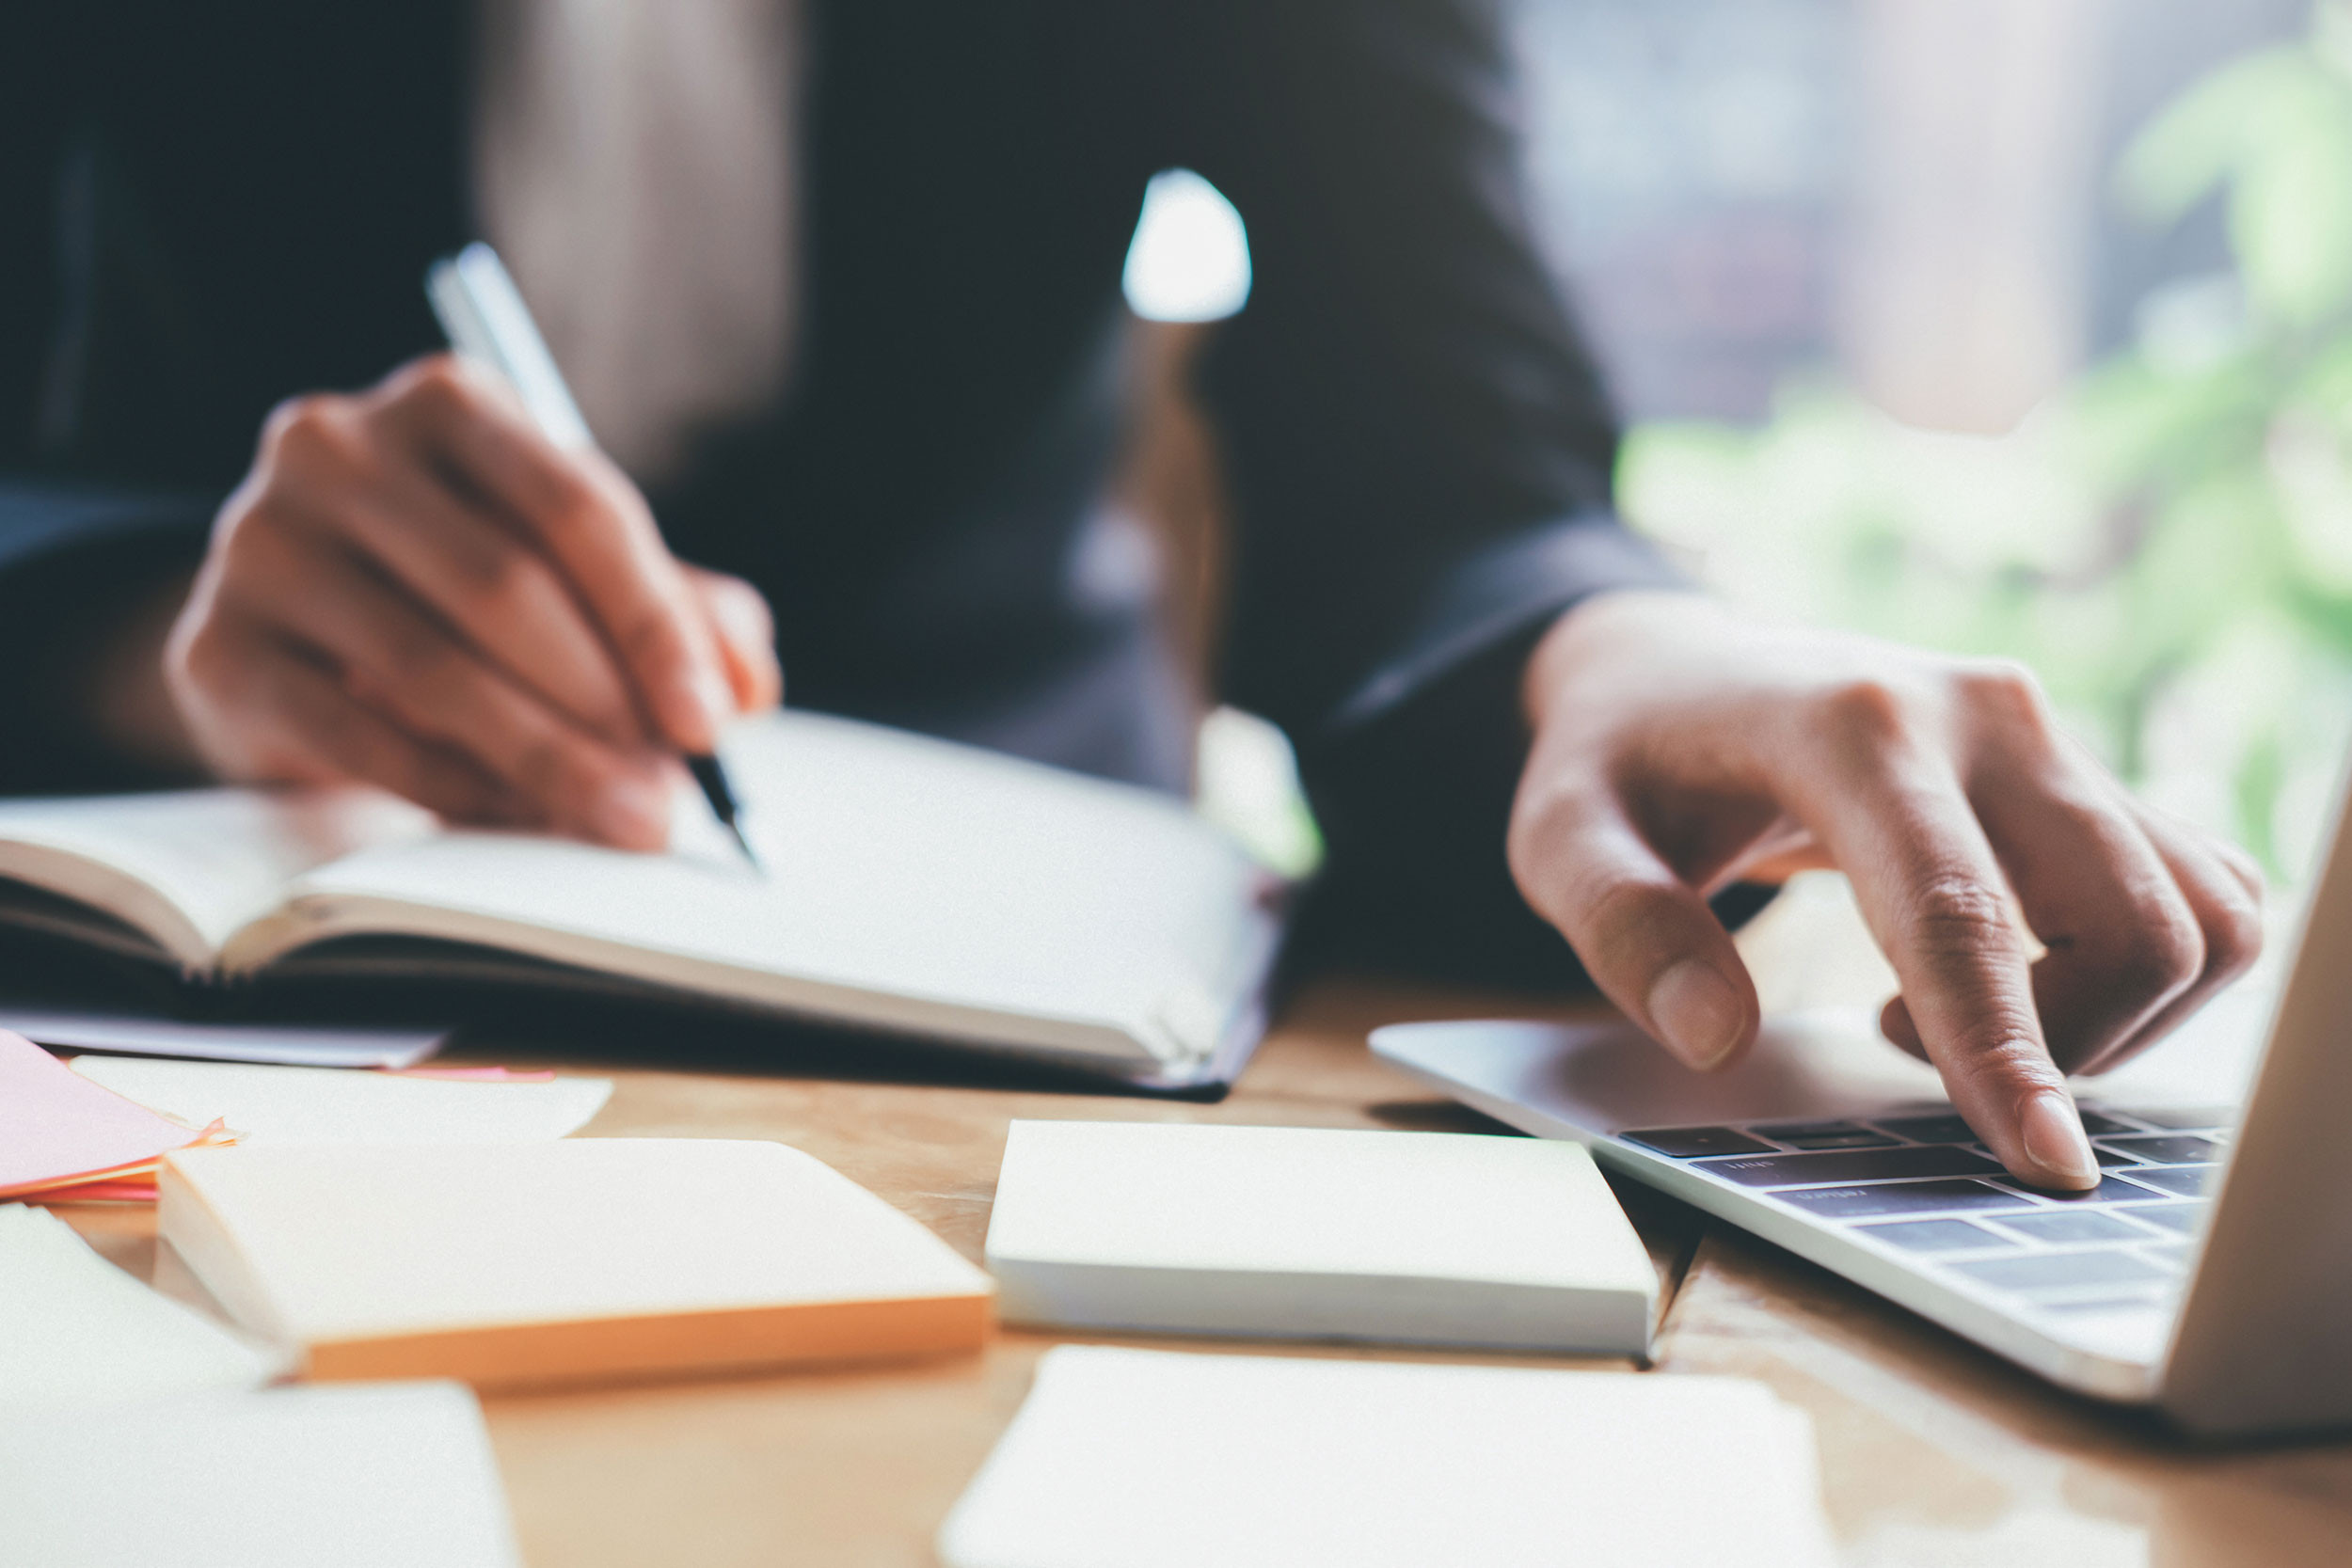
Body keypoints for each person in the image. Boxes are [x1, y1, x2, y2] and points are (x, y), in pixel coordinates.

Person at [0, 0, 2259, 1192]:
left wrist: (1615, 648)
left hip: (1010, 976)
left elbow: (1434, 461)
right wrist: (139, 628)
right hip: (209, 951)